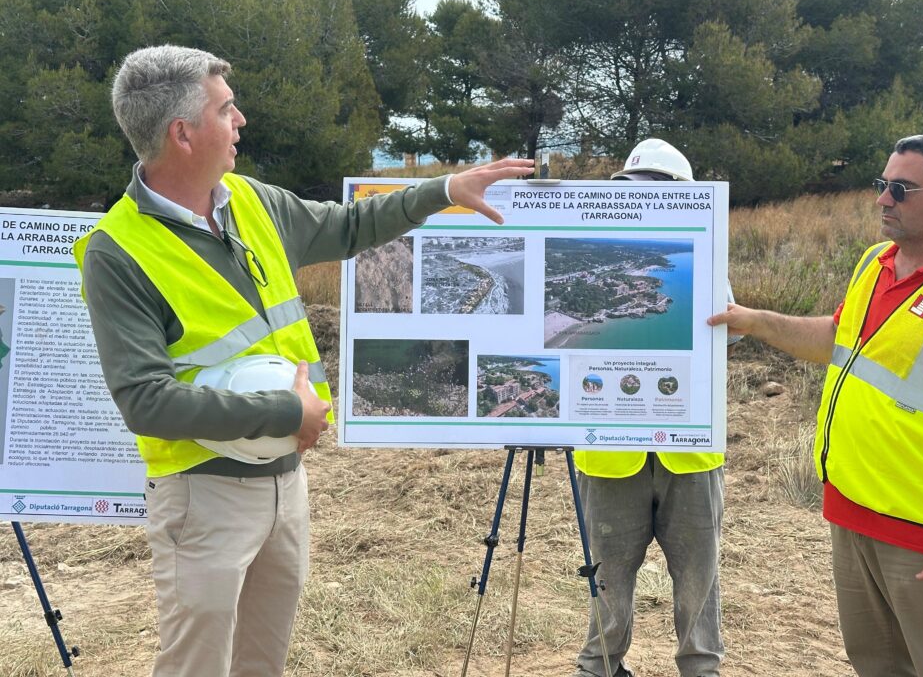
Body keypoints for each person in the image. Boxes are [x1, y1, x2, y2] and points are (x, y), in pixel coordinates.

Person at [73, 44, 532, 677]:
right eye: (226, 109)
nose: (241, 122)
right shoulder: (116, 251)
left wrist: (445, 189)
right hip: (202, 499)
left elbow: (349, 227)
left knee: (262, 662)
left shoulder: (252, 201)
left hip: (285, 483)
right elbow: (145, 401)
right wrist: (288, 409)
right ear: (182, 133)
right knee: (196, 667)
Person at [709, 134, 923, 676]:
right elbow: (836, 339)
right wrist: (754, 320)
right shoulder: (876, 262)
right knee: (876, 666)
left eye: (901, 189)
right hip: (853, 516)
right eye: (882, 185)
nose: (882, 200)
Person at [573, 138, 729, 677]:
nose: (648, 200)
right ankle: (600, 667)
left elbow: (724, 342)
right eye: (639, 192)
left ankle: (700, 670)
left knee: (698, 583)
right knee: (607, 579)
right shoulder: (605, 250)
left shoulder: (710, 255)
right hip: (610, 455)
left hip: (690, 455)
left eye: (661, 192)